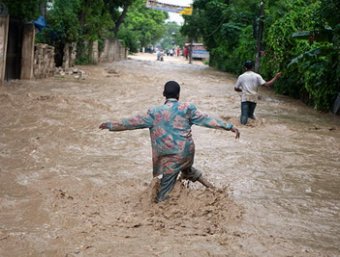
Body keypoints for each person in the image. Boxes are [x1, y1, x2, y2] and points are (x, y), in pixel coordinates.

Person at [99, 81, 240, 203]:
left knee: (163, 196)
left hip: (171, 156)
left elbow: (131, 123)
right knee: (187, 168)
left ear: (163, 94)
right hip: (187, 152)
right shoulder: (187, 109)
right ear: (178, 95)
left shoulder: (154, 112)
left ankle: (163, 206)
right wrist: (229, 127)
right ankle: (214, 190)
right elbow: (207, 119)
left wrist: (111, 125)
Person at [234, 60, 282, 125]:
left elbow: (236, 88)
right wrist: (276, 77)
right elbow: (267, 84)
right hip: (254, 98)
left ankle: (243, 129)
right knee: (250, 116)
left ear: (245, 68)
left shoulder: (241, 76)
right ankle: (255, 126)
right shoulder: (257, 76)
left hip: (245, 98)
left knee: (244, 116)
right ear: (253, 67)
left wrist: (242, 90)